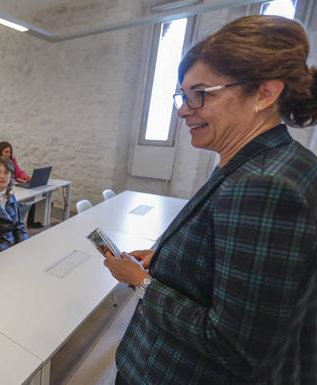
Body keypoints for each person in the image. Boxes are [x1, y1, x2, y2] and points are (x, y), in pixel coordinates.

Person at [103, 15, 317, 385]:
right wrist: (168, 259)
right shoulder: (278, 163)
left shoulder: (263, 185)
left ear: (264, 94)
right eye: (183, 96)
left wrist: (141, 281)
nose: (184, 109)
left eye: (200, 94)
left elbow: (235, 345)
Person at [0, 141, 42, 228]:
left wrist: (25, 177)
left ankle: (22, 222)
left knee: (30, 198)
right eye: (6, 152)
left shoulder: (12, 161)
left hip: (12, 187)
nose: (8, 154)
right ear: (0, 152)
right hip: (0, 189)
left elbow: (19, 172)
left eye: (10, 152)